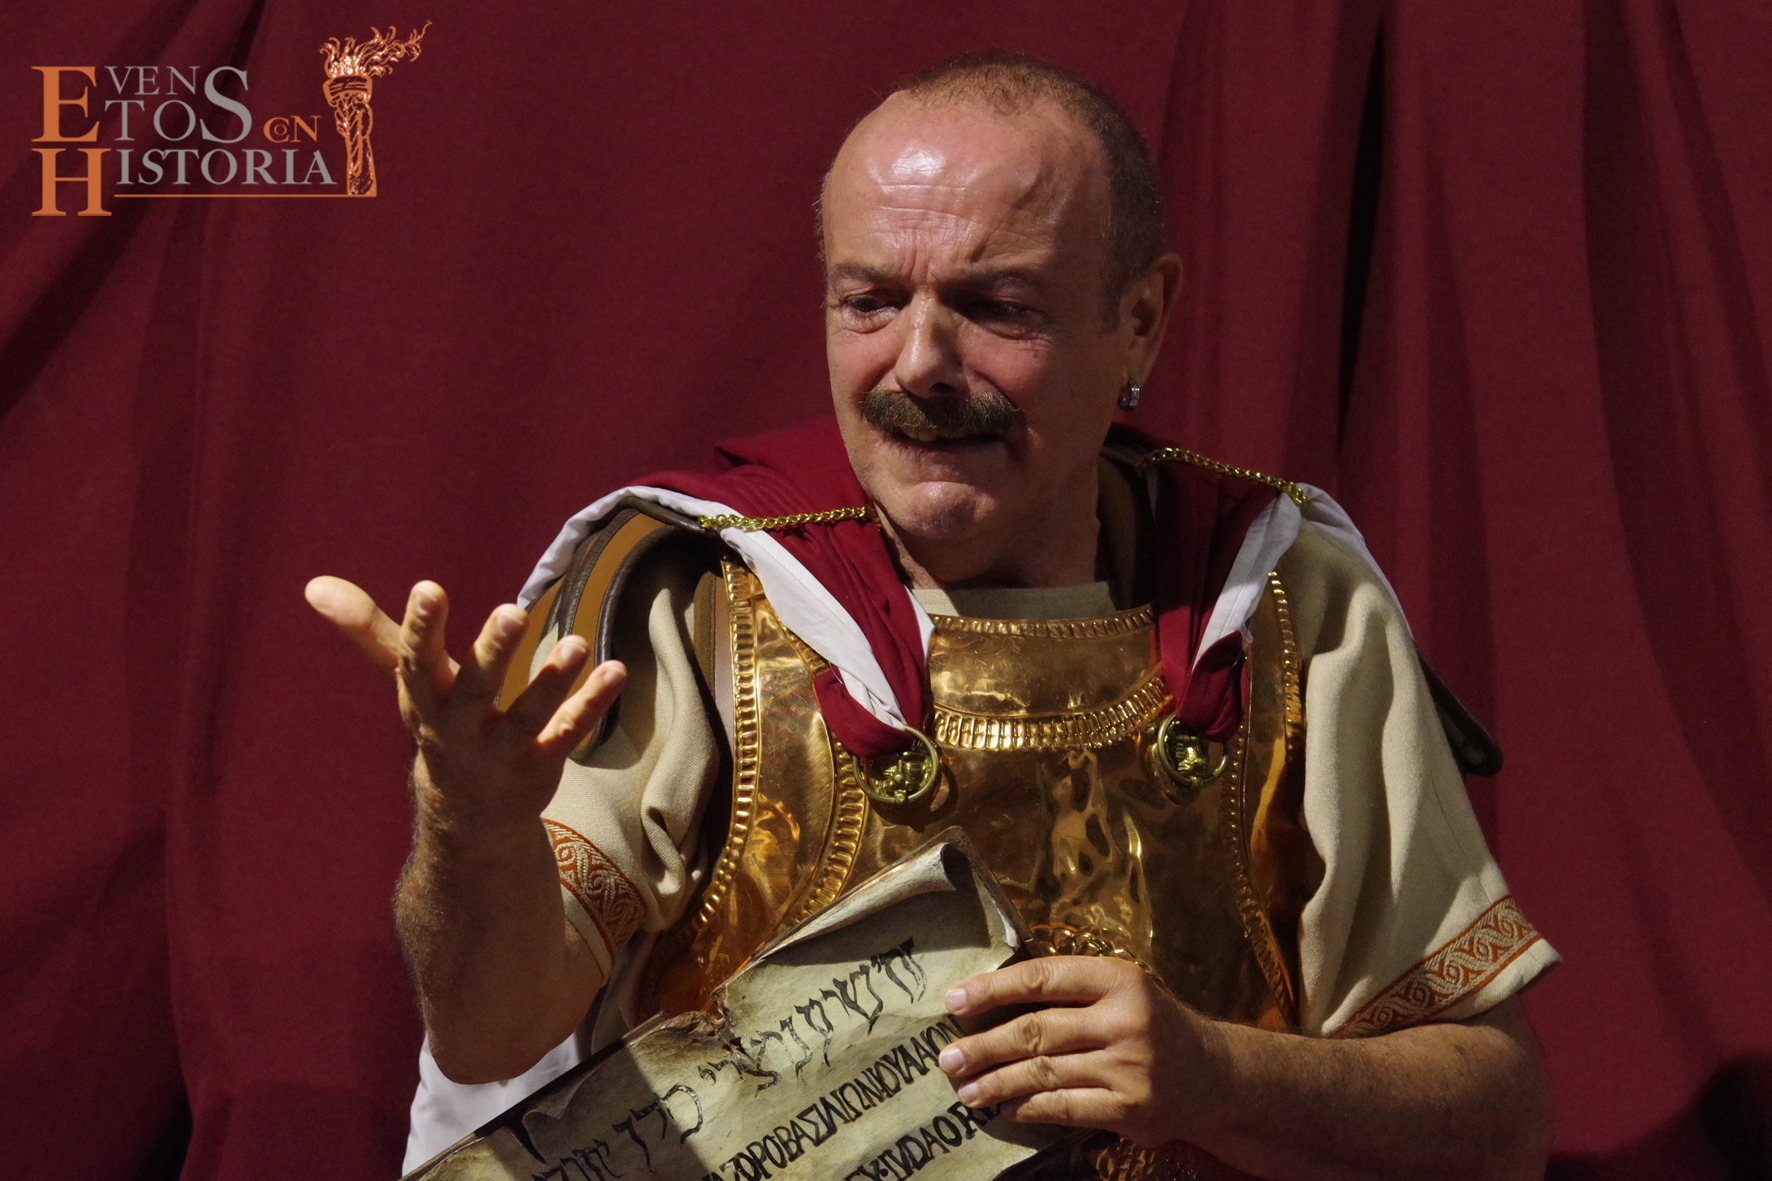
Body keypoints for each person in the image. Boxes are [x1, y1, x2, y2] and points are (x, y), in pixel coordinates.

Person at [309, 51, 1558, 1180]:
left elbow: (1496, 1123)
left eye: (996, 305)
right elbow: (489, 1030)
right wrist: (471, 821)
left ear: (1139, 317)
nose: (916, 362)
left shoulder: (1284, 601)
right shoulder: (695, 593)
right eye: (869, 301)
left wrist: (1215, 1076)